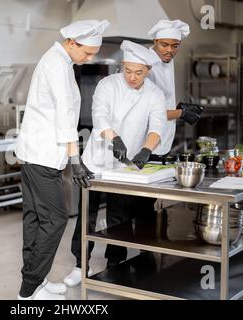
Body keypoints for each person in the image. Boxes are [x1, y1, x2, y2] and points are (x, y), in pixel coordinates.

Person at [15, 19, 110, 300]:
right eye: (88, 52)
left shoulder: (58, 60)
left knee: (35, 218)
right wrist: (75, 160)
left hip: (36, 154)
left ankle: (35, 282)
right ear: (72, 43)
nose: (90, 58)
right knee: (55, 219)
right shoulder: (57, 65)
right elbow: (65, 119)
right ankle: (29, 290)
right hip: (44, 156)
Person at [63, 40, 167, 287]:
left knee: (118, 218)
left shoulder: (155, 94)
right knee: (87, 217)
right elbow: (100, 116)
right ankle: (80, 265)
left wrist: (145, 149)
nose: (132, 77)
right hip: (96, 160)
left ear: (148, 71)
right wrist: (116, 138)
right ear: (122, 66)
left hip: (124, 166)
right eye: (128, 71)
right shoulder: (107, 85)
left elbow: (157, 127)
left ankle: (115, 264)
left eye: (138, 72)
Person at [147, 19, 204, 158]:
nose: (169, 50)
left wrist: (179, 107)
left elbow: (163, 97)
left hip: (163, 142)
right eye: (164, 45)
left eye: (175, 46)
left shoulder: (167, 61)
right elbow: (145, 113)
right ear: (155, 41)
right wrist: (181, 113)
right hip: (145, 145)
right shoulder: (146, 65)